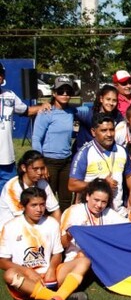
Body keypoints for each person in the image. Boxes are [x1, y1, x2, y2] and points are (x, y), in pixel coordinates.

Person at [0, 188, 90, 300]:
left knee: (85, 261)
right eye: (34, 205)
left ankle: (55, 298)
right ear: (23, 206)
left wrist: (52, 269)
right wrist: (27, 271)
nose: (39, 209)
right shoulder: (10, 227)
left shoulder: (52, 223)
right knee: (9, 275)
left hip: (50, 278)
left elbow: (57, 254)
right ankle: (61, 297)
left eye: (42, 204)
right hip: (27, 281)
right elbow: (3, 261)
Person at [69, 113, 131, 216]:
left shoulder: (122, 151)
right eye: (104, 130)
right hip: (91, 214)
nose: (109, 134)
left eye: (111, 130)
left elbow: (129, 174)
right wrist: (100, 183)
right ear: (93, 132)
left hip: (117, 212)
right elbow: (72, 185)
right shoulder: (85, 153)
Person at [0, 61, 50, 191]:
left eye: (0, 74)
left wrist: (42, 107)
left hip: (6, 159)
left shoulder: (9, 96)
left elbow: (26, 111)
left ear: (3, 77)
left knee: (11, 193)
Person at [32, 76, 77, 211]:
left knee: (65, 199)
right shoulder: (46, 112)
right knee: (46, 199)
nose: (64, 94)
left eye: (68, 91)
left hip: (66, 162)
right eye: (60, 91)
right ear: (54, 93)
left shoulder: (72, 112)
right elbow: (36, 139)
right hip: (49, 162)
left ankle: (63, 227)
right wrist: (41, 164)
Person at [60, 179, 127, 262]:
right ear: (88, 196)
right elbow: (61, 245)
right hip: (75, 261)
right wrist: (69, 235)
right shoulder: (73, 212)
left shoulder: (108, 213)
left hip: (101, 259)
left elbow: (128, 227)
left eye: (104, 202)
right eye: (96, 200)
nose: (99, 205)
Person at [0, 150, 60, 228]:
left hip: (34, 223)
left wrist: (58, 232)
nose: (39, 172)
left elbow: (56, 210)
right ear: (24, 168)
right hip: (11, 229)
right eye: (35, 169)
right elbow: (21, 219)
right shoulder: (12, 187)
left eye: (42, 168)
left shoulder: (42, 183)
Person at [74, 84, 123, 152]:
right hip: (84, 152)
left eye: (114, 100)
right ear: (101, 99)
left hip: (104, 154)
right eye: (108, 99)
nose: (111, 103)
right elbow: (71, 112)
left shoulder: (117, 116)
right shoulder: (87, 112)